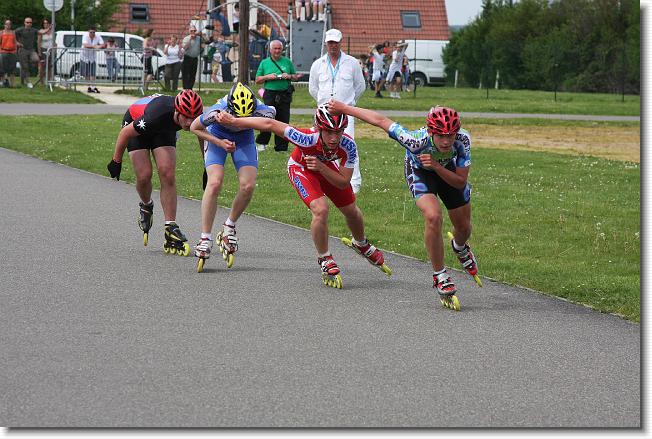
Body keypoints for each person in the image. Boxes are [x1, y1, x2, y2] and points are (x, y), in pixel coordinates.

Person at [215, 104, 389, 288]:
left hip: (322, 167)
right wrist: (234, 121)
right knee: (321, 209)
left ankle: (361, 243)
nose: (334, 138)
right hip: (301, 167)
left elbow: (344, 182)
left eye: (338, 132)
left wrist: (321, 167)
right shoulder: (306, 138)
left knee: (352, 210)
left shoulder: (348, 145)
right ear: (319, 129)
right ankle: (325, 258)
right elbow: (269, 124)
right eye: (329, 132)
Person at [329, 100, 479, 311]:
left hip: (447, 171)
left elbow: (460, 181)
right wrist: (344, 109)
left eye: (450, 136)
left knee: (463, 227)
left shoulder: (462, 140)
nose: (446, 141)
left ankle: (460, 247)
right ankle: (440, 275)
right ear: (430, 132)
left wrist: (436, 166)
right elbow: (380, 120)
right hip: (420, 172)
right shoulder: (415, 140)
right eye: (440, 136)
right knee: (433, 216)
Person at [189, 82, 276, 270]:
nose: (240, 118)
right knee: (214, 182)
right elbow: (194, 127)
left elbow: (270, 123)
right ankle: (205, 238)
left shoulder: (263, 110)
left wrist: (237, 122)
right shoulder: (217, 111)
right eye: (237, 115)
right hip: (217, 135)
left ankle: (229, 227)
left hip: (244, 139)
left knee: (248, 186)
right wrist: (219, 143)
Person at [107, 90, 204, 255]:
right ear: (177, 111)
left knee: (167, 174)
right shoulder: (157, 115)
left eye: (193, 118)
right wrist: (116, 161)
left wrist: (207, 167)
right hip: (138, 122)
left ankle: (170, 227)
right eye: (186, 117)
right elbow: (125, 133)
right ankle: (146, 205)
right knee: (144, 175)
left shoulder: (194, 118)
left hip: (163, 129)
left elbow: (202, 137)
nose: (189, 122)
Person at [308, 28, 365, 193]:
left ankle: (354, 183)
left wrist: (348, 104)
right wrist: (324, 105)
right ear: (326, 44)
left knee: (350, 145)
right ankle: (326, 179)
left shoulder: (352, 63)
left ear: (341, 42)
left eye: (336, 42)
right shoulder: (318, 64)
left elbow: (360, 86)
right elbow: (313, 88)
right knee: (322, 146)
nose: (333, 45)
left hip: (345, 113)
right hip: (323, 114)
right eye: (330, 42)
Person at [254, 39, 302, 152]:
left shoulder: (287, 62)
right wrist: (268, 77)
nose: (277, 51)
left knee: (283, 120)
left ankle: (281, 147)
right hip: (270, 94)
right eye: (275, 48)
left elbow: (296, 77)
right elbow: (257, 80)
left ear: (282, 50)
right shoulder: (264, 63)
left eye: (279, 48)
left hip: (284, 94)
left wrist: (289, 76)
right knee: (267, 118)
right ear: (270, 50)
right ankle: (262, 143)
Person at [15, 17, 38, 88]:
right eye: (27, 22)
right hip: (23, 50)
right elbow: (12, 36)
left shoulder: (33, 30)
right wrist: (17, 43)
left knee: (36, 59)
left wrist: (49, 28)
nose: (29, 24)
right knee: (24, 67)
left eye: (30, 22)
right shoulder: (19, 30)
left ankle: (28, 64)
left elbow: (41, 32)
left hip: (31, 50)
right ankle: (26, 81)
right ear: (24, 23)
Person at [80, 27, 104, 93]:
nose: (92, 33)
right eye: (91, 32)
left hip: (92, 57)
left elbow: (102, 44)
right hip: (84, 57)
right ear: (88, 32)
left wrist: (99, 47)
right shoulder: (85, 36)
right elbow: (85, 45)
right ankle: (89, 87)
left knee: (93, 73)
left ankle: (93, 86)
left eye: (94, 32)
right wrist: (94, 46)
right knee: (86, 74)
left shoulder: (98, 36)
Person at [181, 25, 205, 90]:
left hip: (194, 58)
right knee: (186, 74)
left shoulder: (199, 38)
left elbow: (203, 45)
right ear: (189, 31)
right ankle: (185, 89)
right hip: (187, 58)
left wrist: (202, 36)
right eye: (191, 31)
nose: (193, 32)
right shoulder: (186, 38)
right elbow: (185, 48)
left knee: (193, 74)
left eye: (194, 31)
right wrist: (190, 39)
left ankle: (190, 88)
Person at [37, 18, 55, 85]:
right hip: (43, 49)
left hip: (50, 49)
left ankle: (49, 80)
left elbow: (54, 41)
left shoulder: (52, 31)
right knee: (42, 66)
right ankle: (41, 81)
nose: (46, 24)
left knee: (50, 66)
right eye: (44, 23)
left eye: (47, 23)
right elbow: (39, 42)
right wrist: (39, 52)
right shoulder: (41, 31)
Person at [0, 20, 17, 88]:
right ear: (4, 25)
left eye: (9, 24)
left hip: (12, 52)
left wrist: (15, 51)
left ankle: (12, 84)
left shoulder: (13, 32)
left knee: (12, 69)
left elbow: (15, 42)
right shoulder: (1, 32)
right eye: (6, 24)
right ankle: (3, 82)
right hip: (3, 51)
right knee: (3, 69)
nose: (8, 25)